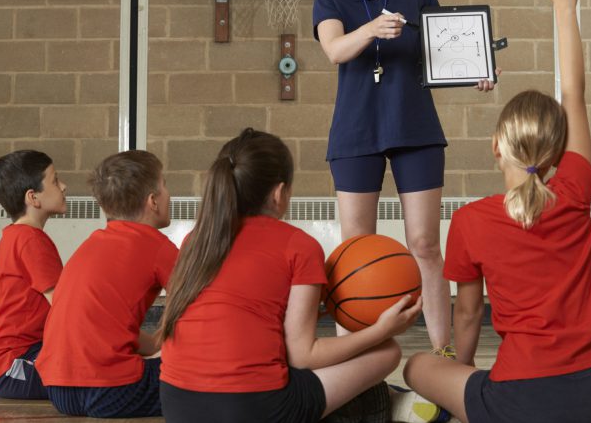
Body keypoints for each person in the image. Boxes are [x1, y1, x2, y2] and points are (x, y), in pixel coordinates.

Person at [401, 0, 591, 423]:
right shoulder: (575, 190)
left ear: (497, 144)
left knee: (418, 366)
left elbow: (468, 315)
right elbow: (574, 94)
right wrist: (565, 4)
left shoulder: (471, 221)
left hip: (519, 400)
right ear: (559, 153)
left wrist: (456, 379)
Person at [312, 0, 497, 354]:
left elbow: (438, 51)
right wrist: (373, 28)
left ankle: (442, 352)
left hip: (415, 127)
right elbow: (335, 50)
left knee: (425, 244)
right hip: (356, 131)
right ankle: (353, 355)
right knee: (356, 250)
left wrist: (475, 67)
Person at [158, 128, 422, 423]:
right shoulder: (299, 245)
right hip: (254, 409)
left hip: (176, 404)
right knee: (386, 352)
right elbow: (303, 356)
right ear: (279, 193)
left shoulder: (196, 240)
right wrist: (381, 330)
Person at [35, 150, 178, 418]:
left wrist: (155, 342)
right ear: (153, 202)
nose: (169, 193)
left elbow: (101, 323)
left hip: (59, 391)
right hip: (112, 391)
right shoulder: (159, 247)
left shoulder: (90, 244)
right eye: (165, 185)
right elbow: (197, 304)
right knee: (196, 380)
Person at [0, 150, 66, 399]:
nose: (64, 186)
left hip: (29, 351)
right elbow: (63, 307)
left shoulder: (19, 235)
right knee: (92, 372)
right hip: (11, 364)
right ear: (33, 197)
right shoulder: (30, 240)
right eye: (55, 181)